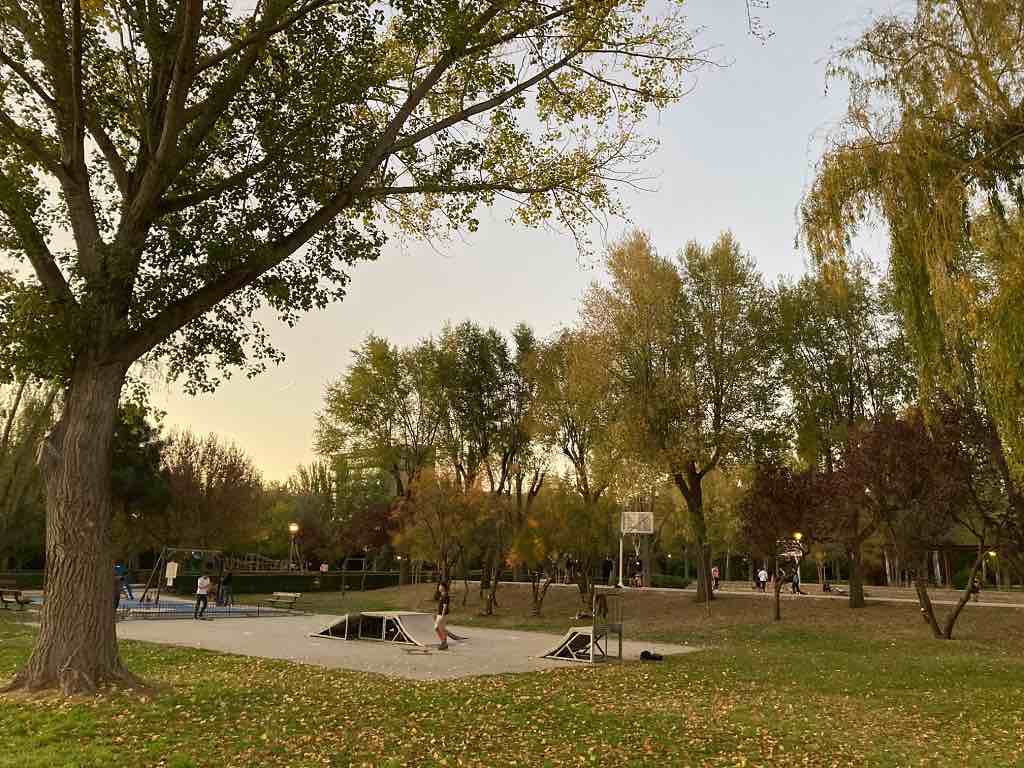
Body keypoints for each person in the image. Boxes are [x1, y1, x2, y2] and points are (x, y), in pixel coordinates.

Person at [434, 580, 451, 650]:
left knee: (438, 628)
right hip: (440, 614)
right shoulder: (442, 595)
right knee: (439, 628)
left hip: (442, 615)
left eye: (440, 586)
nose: (439, 588)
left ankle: (444, 642)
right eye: (439, 586)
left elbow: (445, 606)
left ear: (443, 587)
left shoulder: (445, 595)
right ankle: (444, 642)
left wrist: (442, 616)